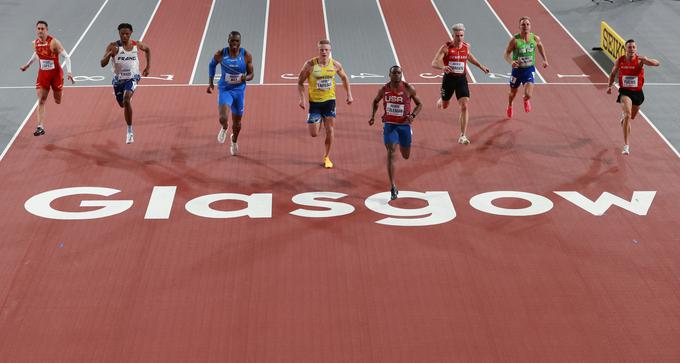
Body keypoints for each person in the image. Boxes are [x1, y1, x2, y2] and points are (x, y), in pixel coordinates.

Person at [297, 39, 353, 168]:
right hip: (315, 103)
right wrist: (302, 98)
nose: (324, 52)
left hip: (329, 101)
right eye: (321, 49)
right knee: (314, 133)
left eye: (326, 50)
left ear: (330, 51)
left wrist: (349, 94)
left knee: (330, 130)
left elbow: (344, 78)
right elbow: (300, 82)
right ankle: (318, 121)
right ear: (318, 50)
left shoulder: (335, 65)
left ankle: (327, 157)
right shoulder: (310, 65)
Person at [370, 66, 422, 200]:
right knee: (391, 151)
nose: (396, 75)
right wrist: (373, 116)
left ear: (401, 74)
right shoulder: (384, 89)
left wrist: (413, 116)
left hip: (404, 126)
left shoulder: (409, 88)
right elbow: (375, 101)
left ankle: (404, 139)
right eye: (394, 73)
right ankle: (392, 186)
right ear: (389, 74)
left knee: (405, 155)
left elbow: (419, 104)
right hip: (390, 125)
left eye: (399, 73)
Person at [431, 23, 490, 144]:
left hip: (461, 80)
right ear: (453, 35)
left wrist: (481, 66)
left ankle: (462, 135)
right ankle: (442, 100)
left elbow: (469, 57)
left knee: (464, 105)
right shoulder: (446, 48)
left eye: (461, 35)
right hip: (449, 80)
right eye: (457, 35)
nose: (459, 38)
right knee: (445, 105)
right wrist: (443, 67)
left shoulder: (466, 47)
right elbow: (434, 62)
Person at [20, 20, 74, 136]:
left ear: (46, 30)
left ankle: (60, 88)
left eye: (42, 28)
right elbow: (36, 54)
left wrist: (69, 72)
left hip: (55, 75)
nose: (40, 30)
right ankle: (40, 127)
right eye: (38, 28)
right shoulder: (35, 43)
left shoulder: (54, 42)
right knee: (41, 100)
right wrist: (27, 65)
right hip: (43, 75)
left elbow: (67, 56)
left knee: (57, 101)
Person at [606, 39, 660, 155]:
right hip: (625, 92)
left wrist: (647, 60)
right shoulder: (620, 60)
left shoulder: (640, 60)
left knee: (631, 117)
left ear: (636, 49)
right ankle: (626, 145)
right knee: (628, 115)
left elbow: (657, 63)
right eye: (629, 47)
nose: (632, 49)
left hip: (638, 93)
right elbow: (613, 74)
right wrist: (609, 86)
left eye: (633, 47)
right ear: (626, 48)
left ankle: (624, 118)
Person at [100, 23, 150, 144]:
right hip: (118, 80)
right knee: (122, 104)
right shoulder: (113, 46)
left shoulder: (136, 45)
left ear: (131, 33)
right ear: (119, 33)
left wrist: (148, 67)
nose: (124, 36)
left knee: (126, 99)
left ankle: (129, 131)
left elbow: (147, 50)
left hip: (133, 77)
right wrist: (109, 54)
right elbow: (102, 63)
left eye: (127, 33)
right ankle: (126, 99)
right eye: (122, 33)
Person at [207, 31, 254, 156]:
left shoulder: (246, 55)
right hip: (225, 90)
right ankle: (224, 127)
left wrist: (245, 78)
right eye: (232, 40)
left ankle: (234, 141)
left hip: (239, 92)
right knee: (223, 118)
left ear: (240, 42)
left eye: (237, 41)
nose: (234, 43)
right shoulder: (221, 54)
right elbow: (211, 65)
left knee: (237, 124)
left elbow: (251, 74)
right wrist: (210, 83)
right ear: (228, 40)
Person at [503, 16, 548, 118]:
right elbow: (506, 54)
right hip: (517, 71)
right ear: (519, 26)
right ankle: (510, 105)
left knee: (529, 94)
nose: (526, 26)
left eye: (527, 24)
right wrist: (511, 62)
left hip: (529, 69)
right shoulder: (515, 40)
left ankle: (525, 99)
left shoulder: (535, 38)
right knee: (512, 94)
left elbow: (540, 46)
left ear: (530, 26)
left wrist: (545, 59)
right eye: (523, 24)